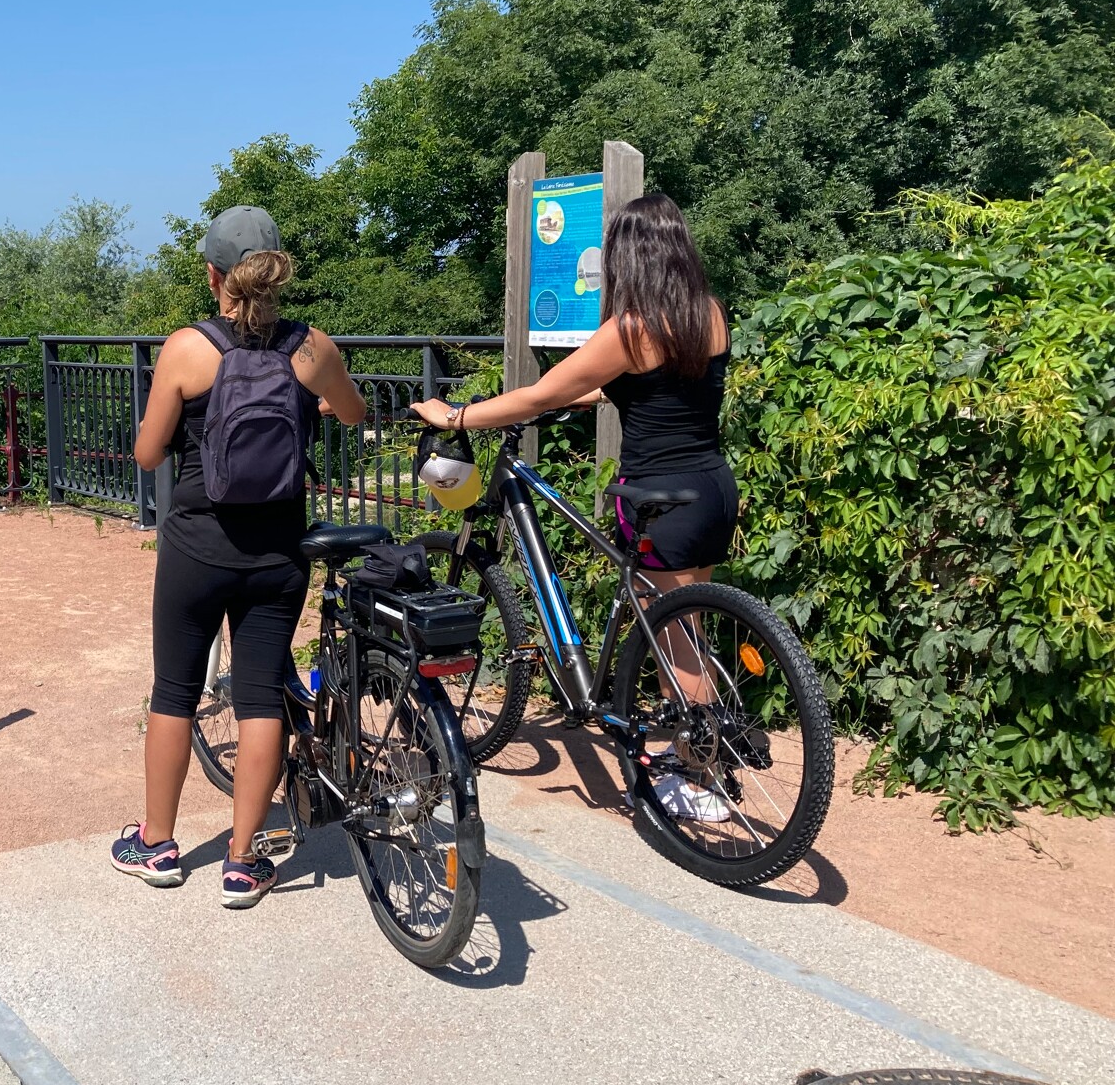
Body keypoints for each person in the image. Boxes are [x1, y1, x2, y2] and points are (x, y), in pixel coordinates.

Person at [408, 191, 737, 819]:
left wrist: (455, 416)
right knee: (689, 626)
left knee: (676, 641)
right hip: (713, 488)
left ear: (628, 256)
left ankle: (701, 779)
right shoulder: (708, 313)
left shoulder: (631, 328)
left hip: (659, 497)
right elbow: (653, 389)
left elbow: (540, 395)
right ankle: (701, 754)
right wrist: (590, 394)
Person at [111, 205, 366, 908]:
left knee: (174, 692)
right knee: (259, 697)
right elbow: (352, 413)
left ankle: (156, 845)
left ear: (213, 275)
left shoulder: (187, 348)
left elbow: (147, 453)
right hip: (277, 553)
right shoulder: (312, 349)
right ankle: (243, 861)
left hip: (196, 547)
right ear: (277, 274)